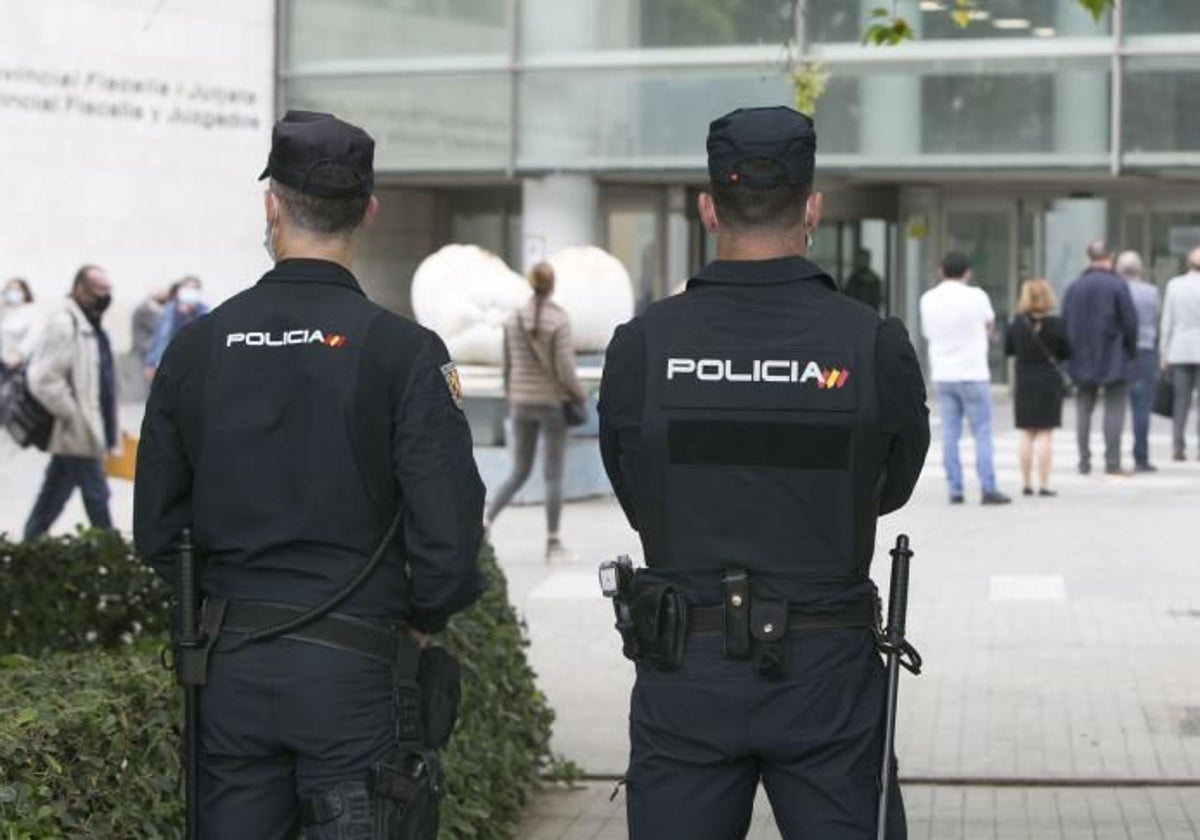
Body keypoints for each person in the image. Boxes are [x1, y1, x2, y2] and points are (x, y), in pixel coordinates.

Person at [133, 111, 485, 837]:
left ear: (271, 205)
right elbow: (448, 545)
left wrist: (229, 609)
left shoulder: (196, 349)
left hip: (229, 670)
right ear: (369, 212)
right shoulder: (404, 353)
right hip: (355, 675)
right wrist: (420, 621)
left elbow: (157, 532)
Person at [599, 106, 930, 839]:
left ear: (708, 208)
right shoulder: (873, 344)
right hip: (827, 676)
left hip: (685, 667)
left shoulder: (642, 346)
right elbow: (894, 486)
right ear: (813, 208)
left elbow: (634, 492)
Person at [483, 261, 587, 560]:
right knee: (553, 475)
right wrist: (579, 396)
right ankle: (553, 543)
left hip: (520, 402)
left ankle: (485, 521)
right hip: (551, 404)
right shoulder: (558, 320)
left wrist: (511, 394)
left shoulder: (513, 318)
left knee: (518, 471)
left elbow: (507, 364)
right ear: (553, 285)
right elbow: (565, 369)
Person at [23, 265, 117, 539]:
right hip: (78, 430)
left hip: (85, 428)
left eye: (108, 290)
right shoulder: (65, 323)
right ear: (80, 289)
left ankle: (29, 545)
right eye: (99, 290)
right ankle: (114, 557)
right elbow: (43, 378)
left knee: (53, 494)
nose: (105, 296)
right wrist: (75, 416)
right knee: (97, 497)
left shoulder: (92, 321)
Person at [919, 251, 1011, 505]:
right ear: (967, 272)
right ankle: (988, 487)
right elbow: (989, 326)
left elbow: (927, 332)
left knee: (950, 432)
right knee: (982, 430)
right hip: (974, 371)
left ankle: (955, 488)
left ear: (941, 271)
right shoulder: (977, 296)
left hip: (943, 373)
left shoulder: (928, 299)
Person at [1062, 241, 1138, 475]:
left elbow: (1065, 321)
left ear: (1089, 258)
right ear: (1110, 257)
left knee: (1083, 409)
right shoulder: (1117, 286)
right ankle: (1112, 462)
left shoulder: (1074, 287)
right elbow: (1130, 322)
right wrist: (1130, 350)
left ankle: (1084, 461)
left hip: (1081, 356)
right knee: (1114, 410)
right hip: (1114, 354)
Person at [1005, 279, 1071, 497]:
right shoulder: (1057, 323)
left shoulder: (1016, 323)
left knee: (1026, 431)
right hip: (1049, 379)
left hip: (1024, 379)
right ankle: (1043, 484)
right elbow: (1068, 352)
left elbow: (1009, 350)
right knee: (1045, 432)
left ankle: (1025, 483)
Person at [1116, 251, 1160, 471]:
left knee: (1115, 405)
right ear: (1140, 270)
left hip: (1120, 351)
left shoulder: (1116, 290)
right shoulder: (1151, 292)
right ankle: (1140, 457)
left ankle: (1112, 456)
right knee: (1142, 406)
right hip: (1144, 349)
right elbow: (1154, 318)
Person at [1159, 246, 1200, 461]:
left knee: (1180, 401)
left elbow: (1168, 322)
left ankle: (1178, 446)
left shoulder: (1175, 286)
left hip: (1180, 348)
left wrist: (1164, 354)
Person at [144, 275, 209, 377]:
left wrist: (188, 315)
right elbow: (158, 337)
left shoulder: (204, 312)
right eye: (187, 288)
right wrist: (150, 362)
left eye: (194, 288)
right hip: (168, 364)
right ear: (180, 290)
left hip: (193, 366)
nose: (190, 291)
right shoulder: (168, 310)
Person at [1, 277, 37, 371]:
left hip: (22, 364)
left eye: (17, 290)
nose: (13, 293)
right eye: (10, 290)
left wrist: (20, 352)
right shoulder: (6, 312)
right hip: (4, 363)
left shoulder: (31, 311)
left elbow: (33, 336)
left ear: (25, 293)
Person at [130, 286, 169, 364]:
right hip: (144, 350)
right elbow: (158, 328)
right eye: (161, 293)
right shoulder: (144, 310)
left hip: (150, 350)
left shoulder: (160, 309)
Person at [844, 247, 883, 312]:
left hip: (868, 312)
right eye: (860, 259)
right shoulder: (853, 277)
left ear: (868, 260)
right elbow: (847, 295)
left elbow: (877, 300)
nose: (862, 262)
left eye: (864, 259)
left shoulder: (874, 279)